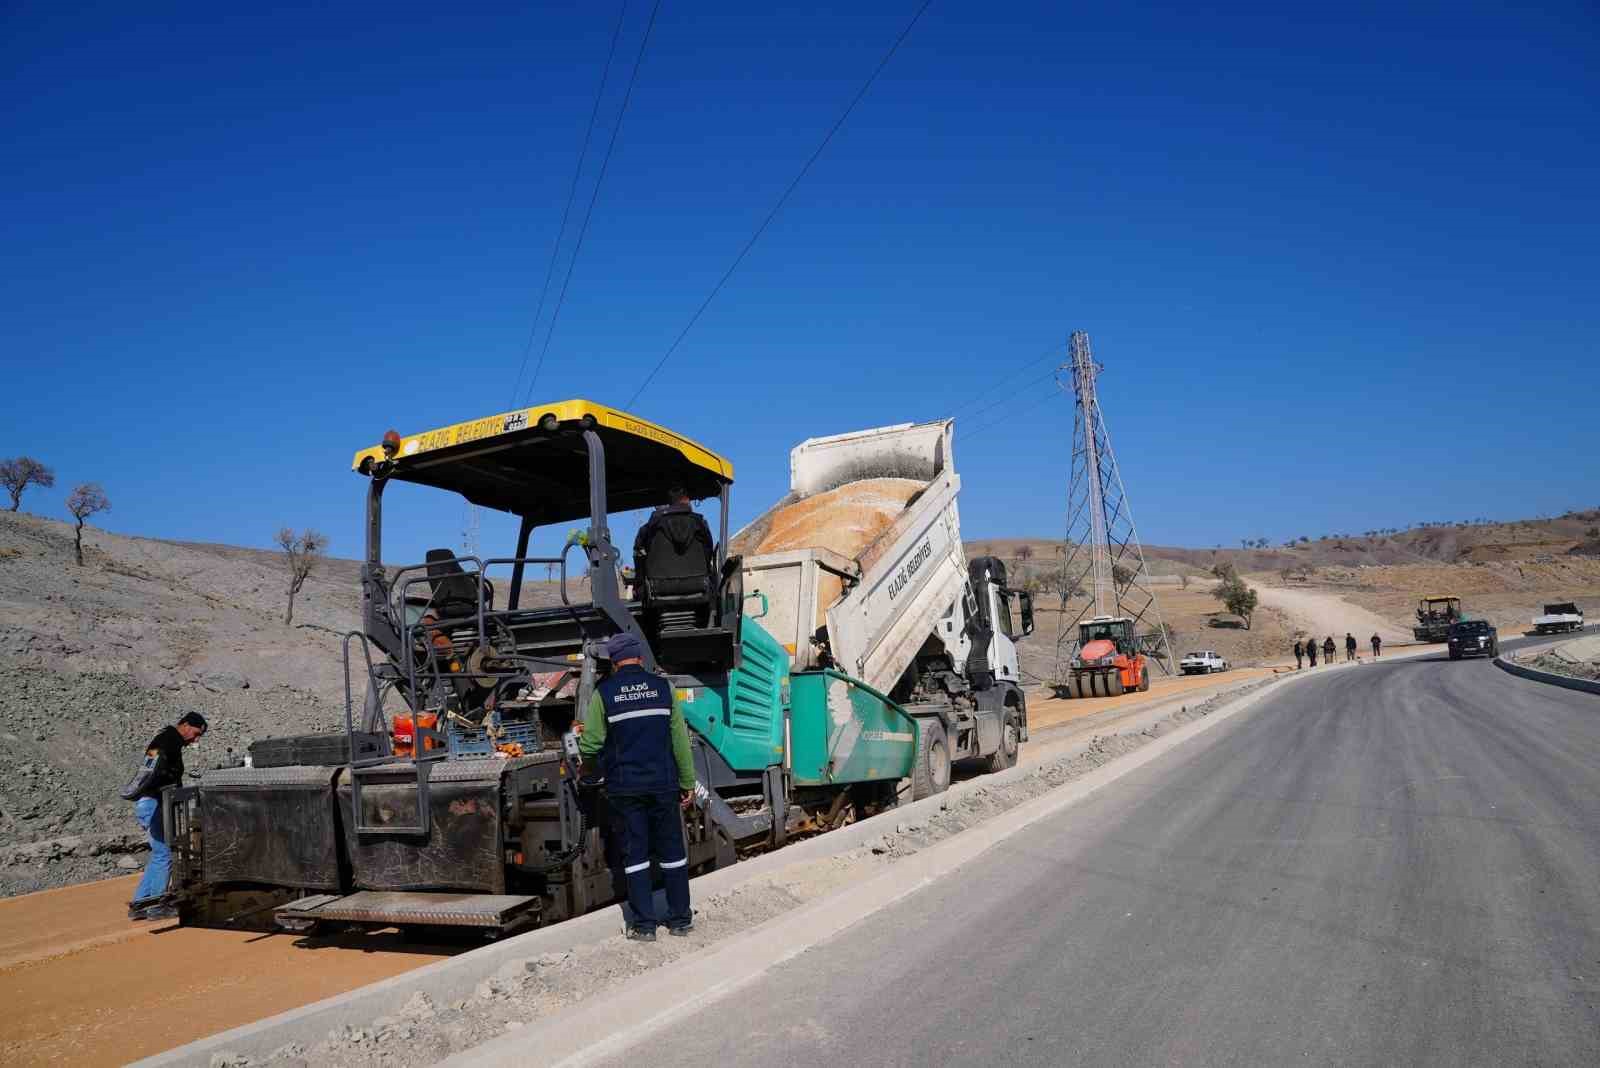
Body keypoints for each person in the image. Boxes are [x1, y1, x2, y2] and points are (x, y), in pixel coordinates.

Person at [578, 632, 696, 941]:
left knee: (636, 856)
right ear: (640, 658)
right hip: (663, 785)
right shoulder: (664, 688)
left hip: (625, 789)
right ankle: (681, 920)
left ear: (615, 664)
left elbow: (590, 744)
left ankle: (644, 926)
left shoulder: (604, 694)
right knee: (673, 853)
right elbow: (680, 742)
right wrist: (686, 782)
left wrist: (587, 768)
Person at [122, 711, 207, 920]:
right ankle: (157, 906)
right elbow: (150, 771)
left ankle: (140, 904)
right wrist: (166, 789)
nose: (195, 740)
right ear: (185, 725)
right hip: (154, 802)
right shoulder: (167, 741)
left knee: (158, 853)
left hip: (150, 802)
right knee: (164, 855)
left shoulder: (167, 740)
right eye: (195, 734)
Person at [632, 486, 716, 591]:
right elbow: (708, 553)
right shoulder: (700, 524)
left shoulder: (648, 528)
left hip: (657, 590)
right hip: (700, 587)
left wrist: (639, 586)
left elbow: (639, 556)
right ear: (686, 500)